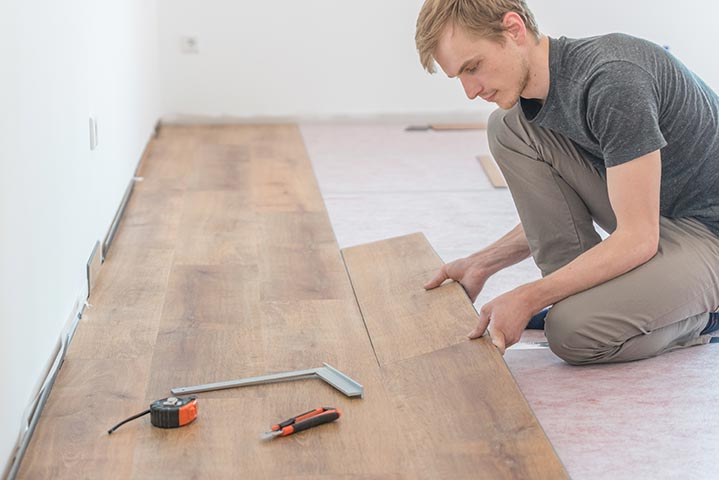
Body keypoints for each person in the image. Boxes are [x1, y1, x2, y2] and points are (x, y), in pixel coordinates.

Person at [415, 0, 719, 364]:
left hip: (707, 233)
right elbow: (563, 203)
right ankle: (579, 295)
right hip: (655, 214)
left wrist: (530, 296)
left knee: (572, 332)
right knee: (508, 127)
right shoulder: (549, 92)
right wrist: (485, 262)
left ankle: (701, 317)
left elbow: (638, 237)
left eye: (473, 67)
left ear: (514, 29)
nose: (470, 90)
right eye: (459, 77)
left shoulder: (612, 81)